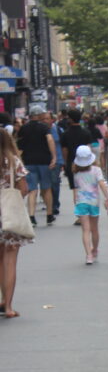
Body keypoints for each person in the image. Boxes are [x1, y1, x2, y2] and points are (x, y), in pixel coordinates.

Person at [0, 127, 30, 318]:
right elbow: (24, 188)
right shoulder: (13, 161)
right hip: (8, 215)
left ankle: (1, 300)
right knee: (10, 261)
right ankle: (9, 306)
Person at [17, 104, 56, 227]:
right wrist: (54, 156)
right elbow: (50, 139)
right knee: (47, 188)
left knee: (32, 190)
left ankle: (31, 216)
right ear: (39, 115)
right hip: (44, 161)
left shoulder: (24, 128)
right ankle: (49, 215)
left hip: (28, 161)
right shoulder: (44, 127)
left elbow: (19, 145)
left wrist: (19, 161)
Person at [72, 144, 108, 265]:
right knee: (94, 229)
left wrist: (76, 203)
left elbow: (76, 190)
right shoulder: (96, 170)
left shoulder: (76, 173)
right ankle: (94, 250)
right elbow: (102, 184)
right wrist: (107, 197)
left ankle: (88, 255)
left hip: (81, 202)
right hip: (94, 202)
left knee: (85, 230)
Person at [61, 109, 94, 225]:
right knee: (86, 188)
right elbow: (89, 148)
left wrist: (66, 163)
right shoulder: (86, 132)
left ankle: (81, 215)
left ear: (70, 119)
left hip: (72, 163)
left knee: (76, 189)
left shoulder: (65, 133)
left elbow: (64, 150)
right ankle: (89, 211)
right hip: (85, 163)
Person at [44, 111, 64, 216]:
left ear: (52, 119)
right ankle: (49, 204)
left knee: (54, 182)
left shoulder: (58, 130)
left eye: (47, 118)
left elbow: (63, 145)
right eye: (44, 119)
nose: (45, 121)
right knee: (47, 184)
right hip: (44, 160)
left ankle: (54, 204)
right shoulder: (42, 130)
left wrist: (63, 161)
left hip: (57, 160)